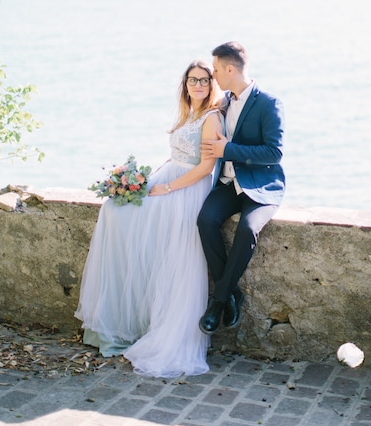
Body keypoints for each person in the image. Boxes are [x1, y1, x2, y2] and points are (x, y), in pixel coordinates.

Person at [75, 60, 223, 378]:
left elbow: (205, 168)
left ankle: (160, 330)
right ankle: (122, 320)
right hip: (168, 179)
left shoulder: (211, 119)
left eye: (204, 80)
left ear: (212, 85)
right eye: (192, 80)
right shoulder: (187, 114)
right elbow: (176, 156)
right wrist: (147, 181)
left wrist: (167, 188)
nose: (198, 85)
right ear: (185, 85)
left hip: (187, 189)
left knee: (147, 235)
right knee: (113, 209)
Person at [197, 41, 285, 335]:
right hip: (227, 184)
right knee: (205, 220)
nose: (214, 75)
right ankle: (232, 293)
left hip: (261, 187)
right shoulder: (223, 102)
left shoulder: (268, 103)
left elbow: (274, 153)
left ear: (230, 68)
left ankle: (217, 302)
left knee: (247, 229)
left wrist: (229, 149)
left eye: (216, 69)